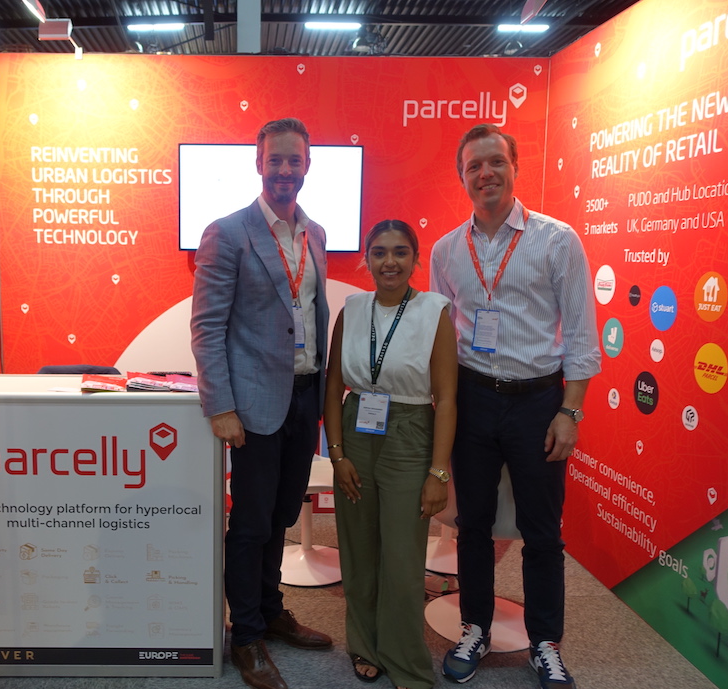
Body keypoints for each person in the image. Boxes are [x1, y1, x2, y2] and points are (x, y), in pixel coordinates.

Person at [429, 124, 601, 689]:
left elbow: (582, 337)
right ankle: (474, 627)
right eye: (473, 166)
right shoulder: (446, 251)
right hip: (474, 399)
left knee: (542, 530)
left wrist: (570, 413)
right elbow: (442, 339)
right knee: (472, 524)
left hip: (538, 403)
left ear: (514, 167)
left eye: (495, 162)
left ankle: (545, 642)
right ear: (462, 177)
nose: (486, 174)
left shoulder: (557, 240)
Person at [190, 117, 332, 689]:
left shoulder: (316, 233)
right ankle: (245, 633)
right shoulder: (227, 233)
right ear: (258, 164)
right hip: (252, 404)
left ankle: (271, 611)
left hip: (305, 396)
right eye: (275, 160)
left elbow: (313, 318)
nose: (285, 171)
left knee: (282, 514)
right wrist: (220, 406)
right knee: (250, 523)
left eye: (294, 160)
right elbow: (207, 327)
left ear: (307, 165)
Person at [323, 219, 457, 689]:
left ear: (415, 259)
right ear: (367, 259)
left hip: (410, 432)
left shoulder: (434, 312)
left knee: (401, 559)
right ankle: (364, 644)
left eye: (401, 252)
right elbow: (334, 388)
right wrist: (337, 455)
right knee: (358, 550)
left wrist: (439, 472)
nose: (390, 262)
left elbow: (446, 399)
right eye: (379, 252)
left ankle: (405, 662)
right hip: (356, 431)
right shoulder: (352, 310)